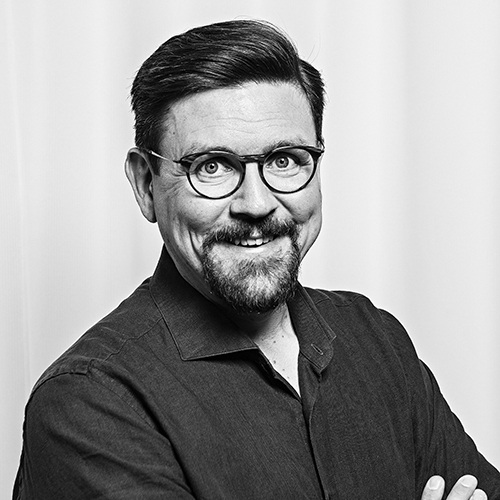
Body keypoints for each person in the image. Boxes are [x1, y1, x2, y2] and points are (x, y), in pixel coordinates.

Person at [13, 19, 500, 500]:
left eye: (284, 160)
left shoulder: (376, 339)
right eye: (212, 166)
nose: (257, 204)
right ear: (145, 185)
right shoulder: (89, 400)